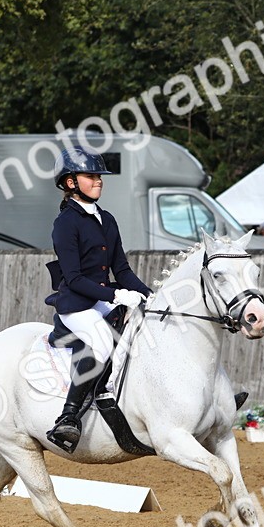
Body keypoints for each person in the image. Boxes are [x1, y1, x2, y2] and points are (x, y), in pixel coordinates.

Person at [45, 146, 151, 452]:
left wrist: (151, 296)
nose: (99, 181)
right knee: (103, 342)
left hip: (101, 298)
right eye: (91, 176)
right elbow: (75, 278)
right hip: (76, 304)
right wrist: (116, 294)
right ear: (70, 183)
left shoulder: (108, 219)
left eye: (99, 176)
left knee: (143, 327)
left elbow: (123, 270)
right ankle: (68, 418)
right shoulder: (65, 224)